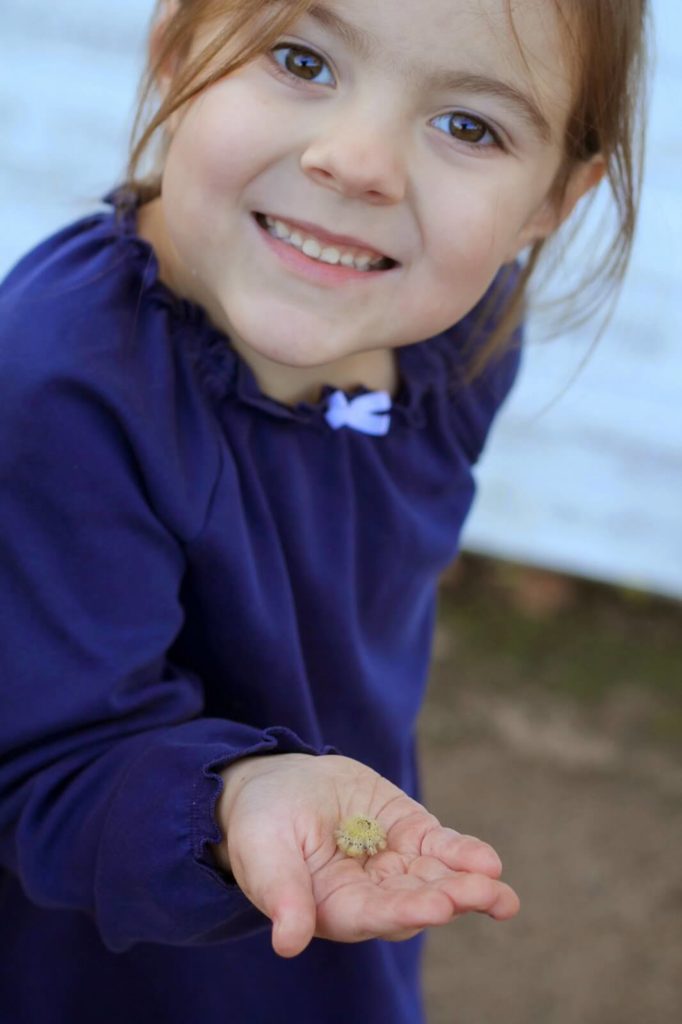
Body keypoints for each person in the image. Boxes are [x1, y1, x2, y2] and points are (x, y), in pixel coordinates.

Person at [0, 0, 648, 1021]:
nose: (358, 161)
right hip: (118, 943)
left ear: (551, 203)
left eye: (468, 126)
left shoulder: (460, 345)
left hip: (344, 874)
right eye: (300, 59)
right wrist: (242, 797)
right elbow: (50, 760)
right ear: (177, 49)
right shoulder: (59, 384)